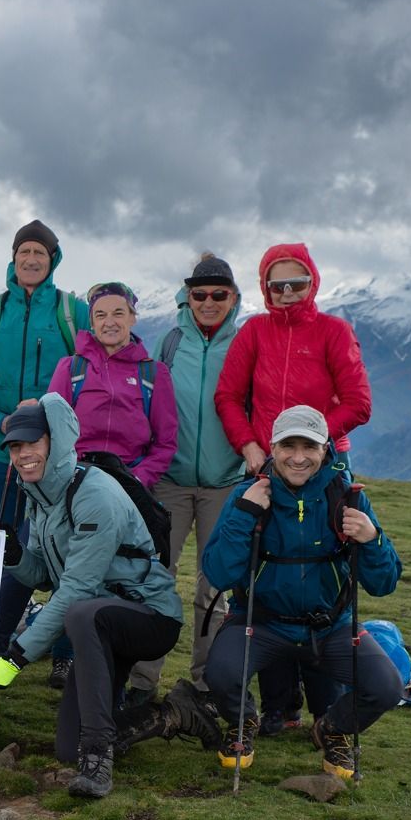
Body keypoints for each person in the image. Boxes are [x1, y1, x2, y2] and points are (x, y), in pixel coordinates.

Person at [0, 394, 183, 799]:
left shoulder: (94, 495)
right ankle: (172, 714)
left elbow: (76, 590)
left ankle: (99, 760)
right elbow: (45, 575)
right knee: (67, 746)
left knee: (82, 614)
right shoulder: (41, 495)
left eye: (33, 443)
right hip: (100, 624)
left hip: (149, 617)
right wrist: (15, 555)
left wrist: (16, 657)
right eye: (15, 447)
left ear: (58, 441)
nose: (23, 455)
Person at [214, 243, 370, 734]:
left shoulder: (333, 332)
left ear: (313, 283)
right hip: (265, 466)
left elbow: (359, 402)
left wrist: (315, 444)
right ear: (264, 287)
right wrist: (250, 446)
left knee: (319, 574)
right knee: (264, 581)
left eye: (295, 284)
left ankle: (328, 704)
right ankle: (280, 705)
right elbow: (228, 396)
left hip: (322, 469)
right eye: (275, 284)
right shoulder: (254, 332)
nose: (284, 293)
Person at [200, 405, 403, 780]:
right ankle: (244, 721)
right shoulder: (248, 495)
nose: (298, 457)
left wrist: (373, 540)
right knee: (221, 674)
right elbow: (217, 572)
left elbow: (383, 583)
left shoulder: (348, 497)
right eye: (287, 446)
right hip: (260, 623)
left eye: (308, 447)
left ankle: (333, 728)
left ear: (325, 450)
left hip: (330, 628)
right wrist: (244, 515)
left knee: (387, 687)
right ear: (272, 448)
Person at [0, 219, 89, 683]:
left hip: (58, 459)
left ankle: (66, 652)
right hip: (0, 452)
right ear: (12, 259)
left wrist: (52, 431)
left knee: (64, 552)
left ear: (53, 260)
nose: (31, 260)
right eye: (23, 252)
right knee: (3, 548)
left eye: (40, 253)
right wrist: (5, 422)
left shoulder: (72, 311)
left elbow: (88, 378)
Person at [123, 254, 244, 709]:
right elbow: (148, 404)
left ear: (233, 297)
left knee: (214, 587)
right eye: (200, 294)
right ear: (187, 296)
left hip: (224, 483)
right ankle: (141, 683)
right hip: (170, 482)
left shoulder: (244, 342)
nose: (209, 302)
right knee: (156, 579)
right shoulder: (171, 342)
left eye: (219, 294)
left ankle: (209, 684)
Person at [47, 281, 178, 487]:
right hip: (75, 479)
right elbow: (51, 430)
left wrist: (138, 479)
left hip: (130, 481)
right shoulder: (71, 369)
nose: (109, 322)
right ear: (92, 322)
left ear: (132, 318)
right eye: (100, 315)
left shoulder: (153, 373)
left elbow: (165, 442)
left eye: (118, 313)